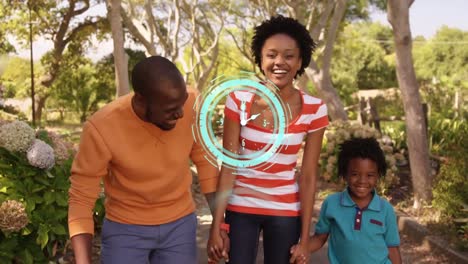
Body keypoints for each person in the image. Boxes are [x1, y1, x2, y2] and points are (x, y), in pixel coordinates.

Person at [68, 56, 219, 264]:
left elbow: (206, 162)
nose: (180, 114)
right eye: (170, 110)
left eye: (182, 103)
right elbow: (81, 198)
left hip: (180, 225)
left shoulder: (193, 103)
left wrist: (219, 225)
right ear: (140, 100)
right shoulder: (101, 127)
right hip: (125, 229)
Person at [207, 15, 329, 264]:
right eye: (271, 55)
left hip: (285, 211)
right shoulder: (238, 100)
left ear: (300, 61)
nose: (279, 62)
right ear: (261, 59)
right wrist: (217, 225)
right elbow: (229, 165)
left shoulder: (315, 109)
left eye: (289, 56)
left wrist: (305, 239)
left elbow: (307, 176)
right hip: (240, 208)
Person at [290, 137, 402, 264]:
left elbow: (392, 248)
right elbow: (320, 238)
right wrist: (302, 249)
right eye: (355, 174)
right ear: (344, 174)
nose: (362, 181)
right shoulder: (332, 203)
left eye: (369, 175)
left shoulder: (385, 209)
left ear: (378, 176)